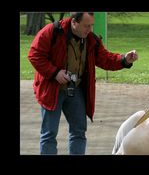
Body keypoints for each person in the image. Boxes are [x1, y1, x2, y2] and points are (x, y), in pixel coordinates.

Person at [28, 12, 138, 155]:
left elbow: (105, 58)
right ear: (74, 22)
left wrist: (124, 59)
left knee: (79, 132)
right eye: (86, 26)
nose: (90, 29)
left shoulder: (91, 39)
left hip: (76, 89)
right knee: (49, 134)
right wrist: (55, 73)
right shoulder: (52, 31)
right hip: (52, 91)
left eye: (91, 25)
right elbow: (34, 55)